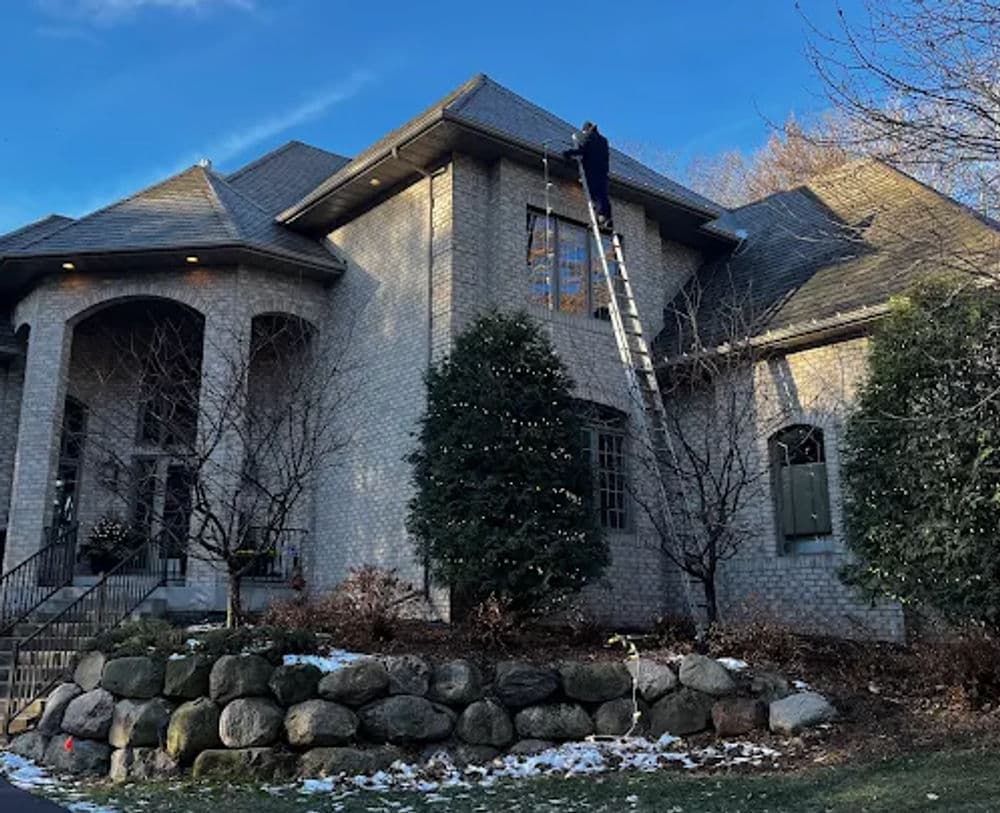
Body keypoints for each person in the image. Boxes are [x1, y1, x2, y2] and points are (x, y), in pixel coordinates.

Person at [564, 121, 612, 228]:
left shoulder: (589, 137)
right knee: (603, 195)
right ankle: (606, 217)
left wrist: (569, 153)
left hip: (592, 171)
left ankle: (600, 216)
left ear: (586, 129)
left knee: (594, 194)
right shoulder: (604, 141)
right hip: (603, 172)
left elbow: (583, 151)